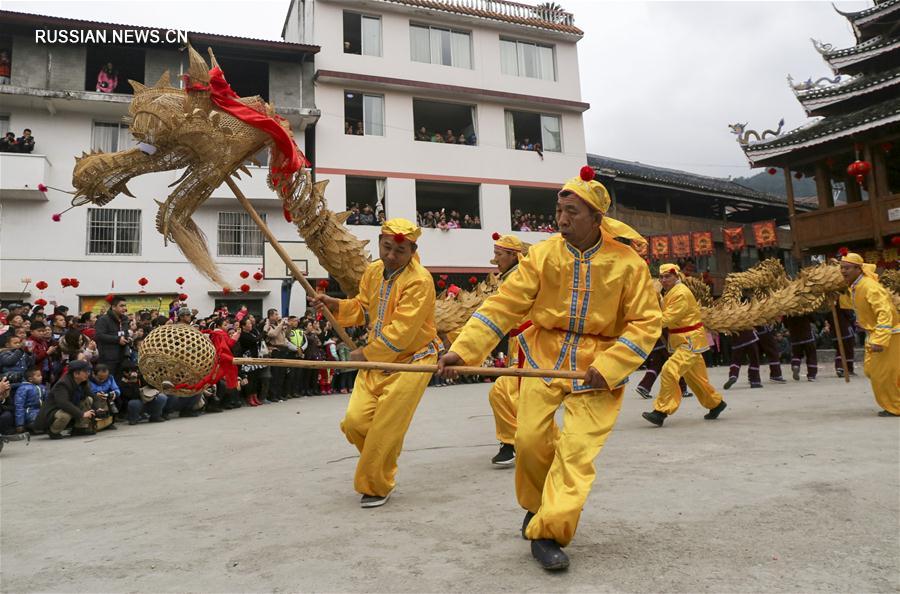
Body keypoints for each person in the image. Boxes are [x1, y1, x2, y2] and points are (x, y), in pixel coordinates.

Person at [438, 166, 661, 571]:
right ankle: (536, 505)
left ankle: (549, 531)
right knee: (529, 440)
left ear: (597, 218)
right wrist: (463, 351)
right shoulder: (541, 256)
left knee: (576, 453)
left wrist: (611, 365)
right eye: (559, 210)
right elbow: (504, 305)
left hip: (596, 371)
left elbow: (646, 323)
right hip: (542, 357)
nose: (561, 219)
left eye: (572, 212)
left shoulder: (629, 265)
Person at [311, 218, 441, 509]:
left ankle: (376, 484)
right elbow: (364, 307)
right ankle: (380, 457)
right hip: (376, 359)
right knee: (355, 423)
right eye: (387, 248)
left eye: (400, 251)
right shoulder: (372, 271)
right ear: (380, 242)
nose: (392, 256)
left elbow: (403, 331)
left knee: (384, 428)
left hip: (412, 360)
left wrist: (365, 354)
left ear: (412, 250)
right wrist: (336, 304)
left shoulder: (419, 281)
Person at [642, 263, 726, 427]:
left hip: (690, 341)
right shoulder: (670, 293)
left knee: (669, 370)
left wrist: (644, 324)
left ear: (677, 276)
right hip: (683, 340)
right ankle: (716, 404)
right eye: (662, 277)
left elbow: (667, 318)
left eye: (668, 276)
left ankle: (661, 411)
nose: (664, 280)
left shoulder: (680, 293)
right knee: (695, 379)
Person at [483, 232, 531, 466]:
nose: (496, 259)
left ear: (513, 255)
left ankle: (512, 443)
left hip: (531, 345)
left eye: (499, 254)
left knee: (502, 390)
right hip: (517, 344)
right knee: (519, 396)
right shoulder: (510, 277)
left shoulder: (520, 278)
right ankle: (523, 441)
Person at [839, 254, 899, 416]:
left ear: (859, 269)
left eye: (847, 268)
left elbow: (884, 313)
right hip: (874, 333)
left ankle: (895, 407)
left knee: (884, 375)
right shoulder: (855, 286)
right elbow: (853, 304)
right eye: (841, 267)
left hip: (889, 335)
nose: (843, 271)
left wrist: (880, 339)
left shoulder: (870, 286)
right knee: (871, 371)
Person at [33, 360, 97, 439]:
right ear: (76, 374)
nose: (88, 373)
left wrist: (97, 408)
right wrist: (82, 414)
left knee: (88, 399)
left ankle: (80, 428)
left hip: (69, 406)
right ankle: (53, 431)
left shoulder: (82, 381)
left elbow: (91, 395)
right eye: (85, 371)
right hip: (53, 411)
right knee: (65, 415)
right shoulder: (63, 383)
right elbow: (63, 403)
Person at [94, 296, 135, 379]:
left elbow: (125, 333)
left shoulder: (124, 320)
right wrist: (117, 339)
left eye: (125, 306)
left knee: (119, 381)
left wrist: (128, 339)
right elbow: (99, 335)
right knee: (108, 380)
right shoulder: (104, 320)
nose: (124, 308)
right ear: (113, 307)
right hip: (108, 358)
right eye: (121, 306)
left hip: (122, 357)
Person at [784, 314, 818, 381]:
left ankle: (795, 365)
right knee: (811, 354)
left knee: (796, 354)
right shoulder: (804, 308)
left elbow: (785, 324)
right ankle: (811, 375)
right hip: (807, 336)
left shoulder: (787, 310)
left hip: (795, 337)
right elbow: (813, 319)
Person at [13, 367, 45, 433]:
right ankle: (29, 427)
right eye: (38, 376)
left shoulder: (42, 387)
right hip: (30, 414)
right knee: (36, 420)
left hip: (41, 412)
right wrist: (19, 424)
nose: (41, 377)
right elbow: (19, 406)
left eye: (41, 375)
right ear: (30, 379)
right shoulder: (23, 389)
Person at [833, 301, 856, 378]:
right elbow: (850, 315)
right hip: (846, 331)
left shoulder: (827, 302)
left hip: (834, 332)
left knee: (839, 350)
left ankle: (839, 367)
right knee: (848, 350)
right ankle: (849, 369)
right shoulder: (843, 300)